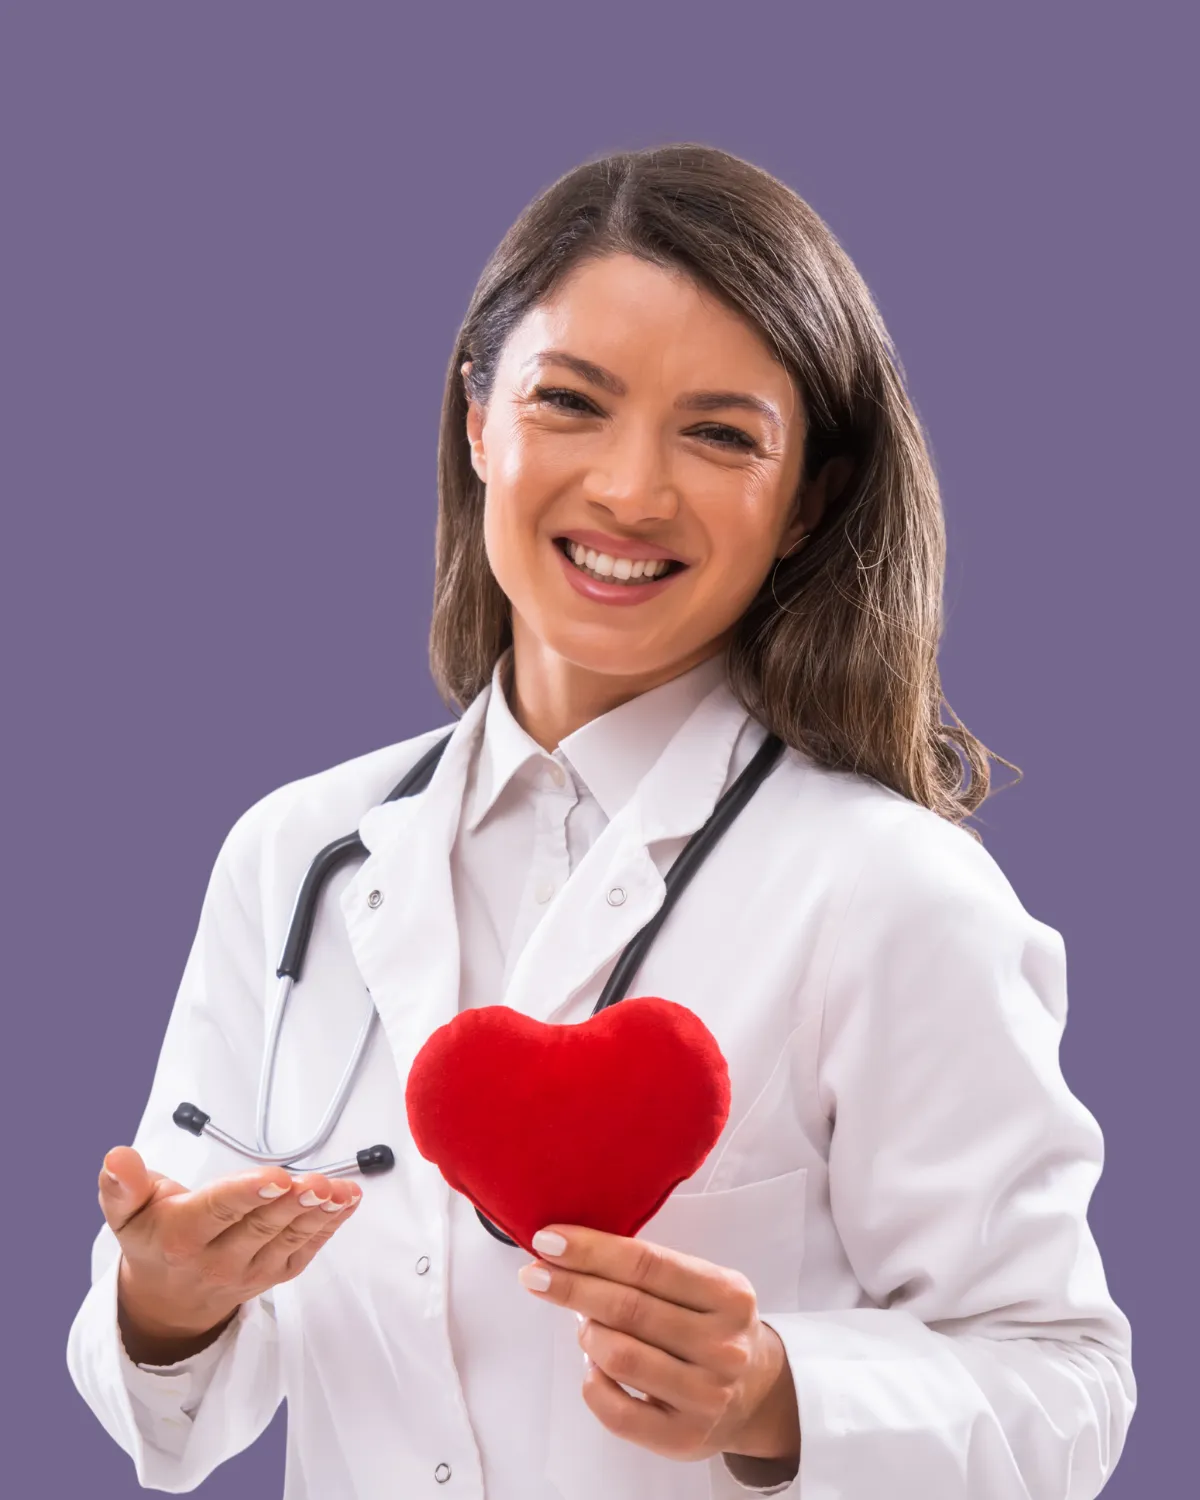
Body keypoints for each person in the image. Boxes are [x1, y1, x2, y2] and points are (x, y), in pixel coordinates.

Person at [66, 143, 1136, 1500]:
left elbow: (1063, 1383)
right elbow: (174, 1408)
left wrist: (776, 1394)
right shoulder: (296, 855)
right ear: (478, 421)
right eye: (570, 402)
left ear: (805, 501)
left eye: (721, 434)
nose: (631, 492)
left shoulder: (892, 890)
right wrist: (166, 1304)